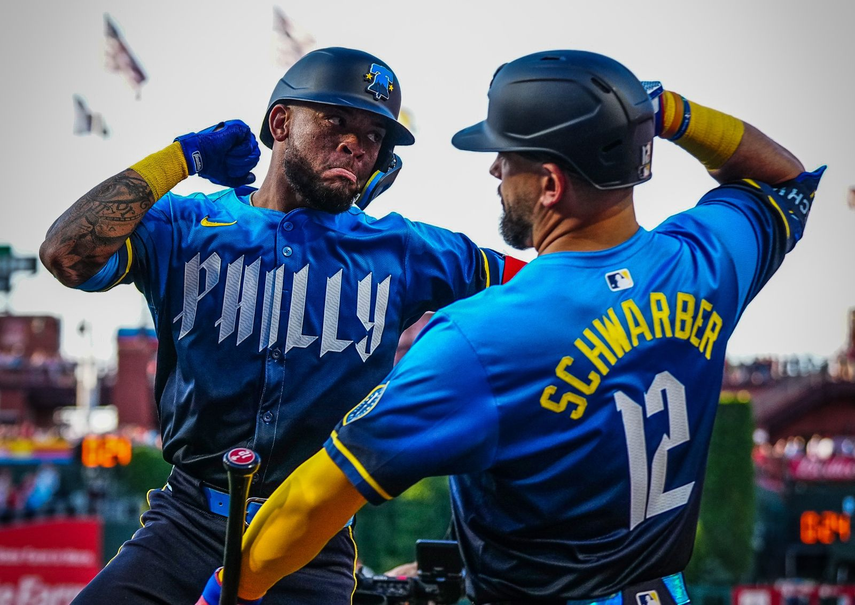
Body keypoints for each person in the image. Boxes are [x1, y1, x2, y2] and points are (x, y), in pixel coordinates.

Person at [196, 50, 825, 604]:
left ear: (549, 185)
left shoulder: (480, 338)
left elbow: (310, 501)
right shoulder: (703, 262)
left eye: (506, 158)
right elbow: (786, 177)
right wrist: (669, 114)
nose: (494, 173)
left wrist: (232, 590)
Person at [39, 47, 523, 605]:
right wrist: (182, 156)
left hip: (313, 544)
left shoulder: (404, 247)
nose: (355, 144)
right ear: (280, 122)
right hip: (185, 524)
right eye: (336, 121)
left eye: (373, 136)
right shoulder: (188, 225)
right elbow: (65, 254)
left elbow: (548, 288)